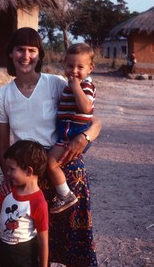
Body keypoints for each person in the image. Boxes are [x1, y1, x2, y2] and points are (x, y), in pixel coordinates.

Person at [0, 27, 101, 267]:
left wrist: (85, 137)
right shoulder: (3, 95)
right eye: (20, 49)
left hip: (64, 169)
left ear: (39, 54)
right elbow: (2, 144)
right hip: (27, 177)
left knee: (75, 238)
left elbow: (93, 119)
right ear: (11, 54)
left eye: (32, 50)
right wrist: (9, 176)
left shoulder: (55, 83)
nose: (25, 56)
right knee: (32, 244)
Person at [47, 43, 96, 214]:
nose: (74, 71)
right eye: (70, 66)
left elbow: (86, 108)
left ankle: (65, 195)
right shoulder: (68, 85)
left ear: (90, 68)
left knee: (51, 162)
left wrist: (76, 87)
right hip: (68, 131)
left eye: (80, 67)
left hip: (73, 133)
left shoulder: (85, 86)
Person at [0, 140, 48, 267]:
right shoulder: (7, 191)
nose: (8, 173)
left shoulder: (38, 202)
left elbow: (43, 239)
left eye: (11, 169)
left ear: (28, 171)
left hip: (25, 255)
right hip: (4, 252)